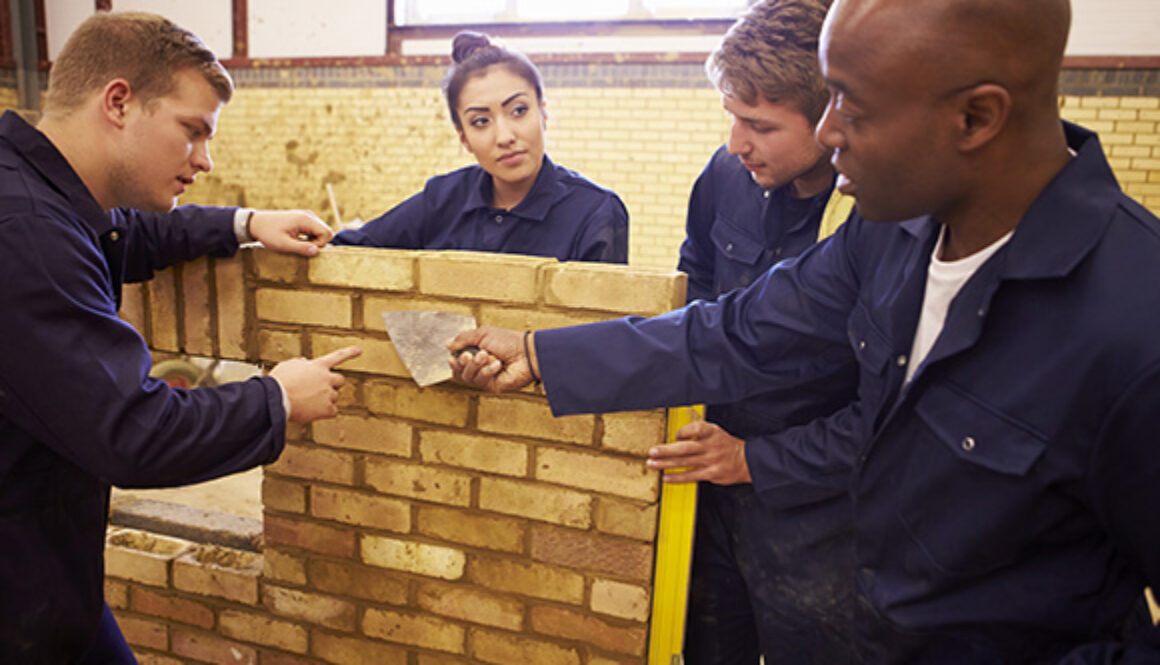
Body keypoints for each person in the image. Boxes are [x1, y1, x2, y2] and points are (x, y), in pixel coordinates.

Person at [450, 0, 1160, 661]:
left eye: (853, 105)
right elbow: (736, 331)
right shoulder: (890, 236)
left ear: (976, 118)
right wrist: (542, 352)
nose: (827, 132)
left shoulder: (1135, 322)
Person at [0, 12, 361, 663]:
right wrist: (276, 398)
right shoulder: (25, 233)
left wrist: (247, 223)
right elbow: (133, 432)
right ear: (118, 102)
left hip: (47, 572)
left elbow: (128, 236)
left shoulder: (42, 189)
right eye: (191, 131)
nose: (205, 158)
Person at [674, 1, 858, 662]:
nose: (735, 144)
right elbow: (692, 288)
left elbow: (888, 411)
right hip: (708, 498)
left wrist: (755, 459)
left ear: (832, 114)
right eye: (731, 117)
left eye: (758, 125)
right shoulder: (725, 177)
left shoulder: (876, 214)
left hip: (819, 519)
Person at [332, 31, 629, 264]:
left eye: (518, 111)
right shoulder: (442, 200)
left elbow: (601, 335)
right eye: (481, 121)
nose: (504, 136)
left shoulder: (596, 212)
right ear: (464, 138)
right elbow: (351, 249)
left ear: (543, 113)